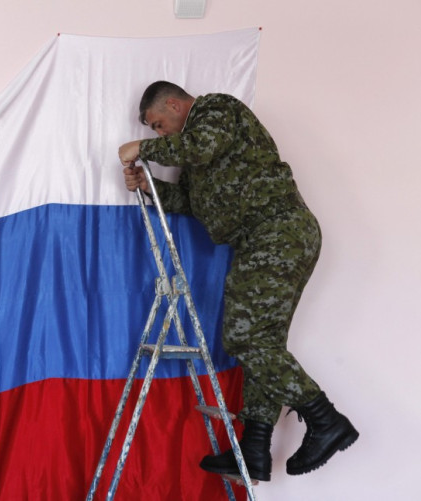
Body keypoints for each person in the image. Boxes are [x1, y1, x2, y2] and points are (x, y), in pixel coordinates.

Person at [118, 81, 358, 481]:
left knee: (246, 339)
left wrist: (141, 149)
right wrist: (150, 185)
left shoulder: (216, 110)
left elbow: (199, 146)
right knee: (262, 343)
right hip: (263, 240)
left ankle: (326, 419)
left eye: (158, 125)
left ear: (175, 105)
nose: (159, 134)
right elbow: (191, 204)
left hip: (276, 232)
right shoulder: (194, 154)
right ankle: (255, 447)